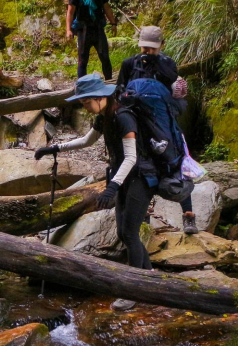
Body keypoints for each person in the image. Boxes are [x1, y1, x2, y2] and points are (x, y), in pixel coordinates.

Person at [35, 73, 153, 270]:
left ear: (100, 97)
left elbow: (132, 157)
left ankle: (132, 289)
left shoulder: (123, 117)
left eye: (87, 102)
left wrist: (112, 187)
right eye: (82, 102)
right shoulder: (103, 116)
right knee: (123, 233)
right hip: (122, 178)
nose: (85, 107)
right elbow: (86, 141)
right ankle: (149, 275)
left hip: (140, 179)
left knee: (130, 234)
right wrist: (54, 148)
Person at [115, 26, 198, 235]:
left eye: (152, 48)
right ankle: (142, 215)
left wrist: (157, 64)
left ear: (162, 45)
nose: (147, 52)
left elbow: (173, 84)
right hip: (138, 123)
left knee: (174, 163)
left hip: (163, 122)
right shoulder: (129, 64)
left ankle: (188, 215)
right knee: (143, 167)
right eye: (144, 47)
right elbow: (119, 89)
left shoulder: (167, 63)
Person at [66, 0, 117, 80]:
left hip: (98, 29)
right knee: (82, 60)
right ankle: (82, 86)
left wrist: (113, 23)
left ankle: (109, 83)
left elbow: (107, 8)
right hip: (83, 31)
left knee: (105, 58)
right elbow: (70, 12)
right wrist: (68, 30)